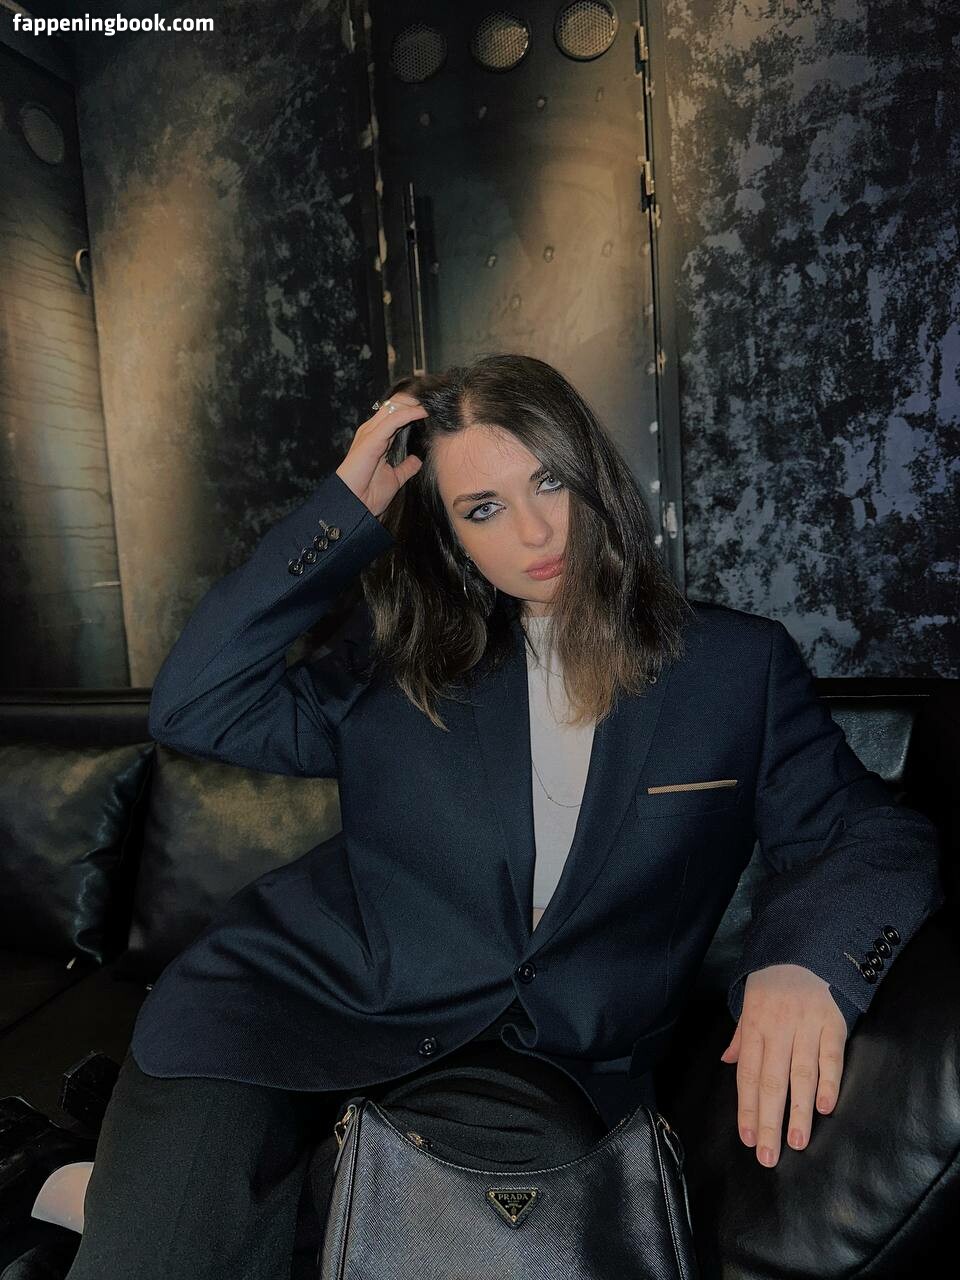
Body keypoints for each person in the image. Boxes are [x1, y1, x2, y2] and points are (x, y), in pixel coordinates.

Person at [60, 353, 942, 1280]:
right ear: (450, 536)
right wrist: (343, 512)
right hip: (278, 1003)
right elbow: (194, 706)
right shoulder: (402, 664)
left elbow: (872, 833)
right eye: (482, 508)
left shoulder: (733, 671)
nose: (534, 530)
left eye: (549, 480)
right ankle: (136, 1196)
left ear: (591, 470)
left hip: (526, 1061)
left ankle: (114, 1192)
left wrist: (805, 964)